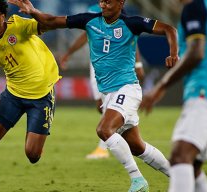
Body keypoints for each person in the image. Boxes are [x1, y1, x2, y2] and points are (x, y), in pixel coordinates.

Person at [8, 0, 178, 191]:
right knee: (138, 147)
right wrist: (33, 11)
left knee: (104, 130)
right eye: (101, 1)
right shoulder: (89, 20)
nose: (103, 5)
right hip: (108, 95)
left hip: (127, 89)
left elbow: (169, 29)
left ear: (121, 3)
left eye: (108, 1)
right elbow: (52, 20)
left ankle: (137, 180)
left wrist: (173, 52)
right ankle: (181, 179)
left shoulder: (133, 23)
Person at [0, 0, 61, 191]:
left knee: (32, 155)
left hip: (41, 95)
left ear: (3, 17)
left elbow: (48, 24)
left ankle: (38, 138)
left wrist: (33, 12)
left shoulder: (18, 25)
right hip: (13, 95)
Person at [140, 0, 207, 191]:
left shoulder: (194, 7)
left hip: (204, 92)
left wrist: (161, 86)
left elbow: (196, 52)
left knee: (180, 156)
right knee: (193, 168)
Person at [59, 4, 145, 160]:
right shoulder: (94, 11)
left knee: (109, 107)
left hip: (116, 65)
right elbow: (85, 35)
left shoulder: (116, 8)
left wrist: (138, 63)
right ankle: (117, 134)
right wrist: (69, 53)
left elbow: (129, 34)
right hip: (97, 65)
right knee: (101, 104)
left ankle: (103, 147)